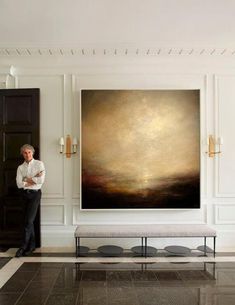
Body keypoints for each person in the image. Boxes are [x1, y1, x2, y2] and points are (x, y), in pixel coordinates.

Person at [15, 144, 45, 257]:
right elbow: (19, 184)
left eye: (29, 152)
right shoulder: (20, 167)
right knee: (28, 221)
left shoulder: (39, 164)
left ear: (32, 153)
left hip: (35, 195)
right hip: (23, 194)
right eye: (25, 153)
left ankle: (23, 247)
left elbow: (41, 180)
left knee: (28, 221)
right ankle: (32, 246)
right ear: (22, 154)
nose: (27, 155)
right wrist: (33, 179)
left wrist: (26, 179)